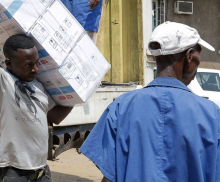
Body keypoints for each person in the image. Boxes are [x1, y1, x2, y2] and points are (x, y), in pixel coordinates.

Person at [80, 21, 220, 182]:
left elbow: (109, 176)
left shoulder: (121, 107)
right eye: (198, 54)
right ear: (189, 56)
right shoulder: (212, 115)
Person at [0, 0, 73, 182]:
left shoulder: (38, 85)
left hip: (42, 171)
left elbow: (54, 117)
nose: (35, 69)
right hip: (13, 172)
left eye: (35, 63)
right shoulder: (0, 83)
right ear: (9, 64)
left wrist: (80, 91)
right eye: (28, 65)